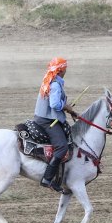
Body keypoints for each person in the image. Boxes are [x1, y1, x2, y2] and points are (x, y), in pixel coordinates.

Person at [33, 57, 78, 193]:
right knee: (62, 147)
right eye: (65, 68)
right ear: (61, 70)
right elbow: (54, 104)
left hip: (44, 117)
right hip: (47, 120)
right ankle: (47, 179)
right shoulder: (55, 85)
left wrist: (70, 110)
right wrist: (67, 107)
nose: (66, 70)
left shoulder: (49, 79)